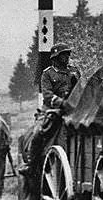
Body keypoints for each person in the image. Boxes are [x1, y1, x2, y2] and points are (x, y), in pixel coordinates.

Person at [20, 43, 80, 179]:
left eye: (67, 54)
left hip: (73, 110)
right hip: (51, 110)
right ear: (55, 58)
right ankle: (31, 164)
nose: (66, 57)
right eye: (63, 55)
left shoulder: (74, 71)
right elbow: (47, 95)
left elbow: (80, 90)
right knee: (37, 132)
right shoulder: (47, 74)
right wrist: (62, 103)